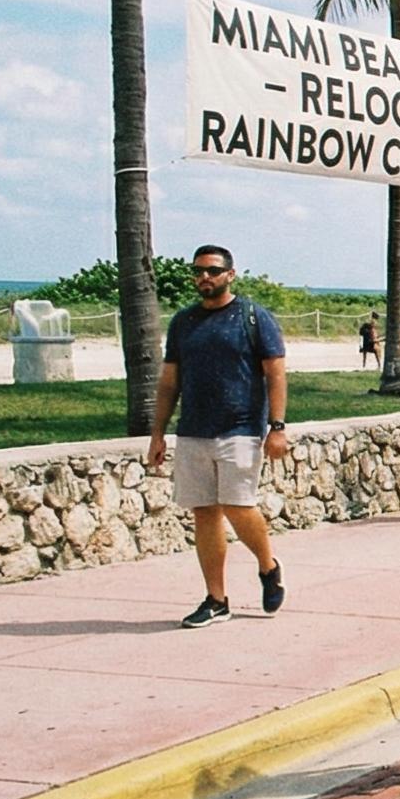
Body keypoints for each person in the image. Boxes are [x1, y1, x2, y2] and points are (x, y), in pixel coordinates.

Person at [146, 245, 289, 629]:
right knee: (204, 513)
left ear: (230, 274)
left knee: (239, 506)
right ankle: (216, 598)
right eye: (197, 271)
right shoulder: (183, 323)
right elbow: (168, 382)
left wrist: (277, 427)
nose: (203, 278)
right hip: (193, 431)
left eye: (211, 270)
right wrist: (157, 433)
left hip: (240, 429)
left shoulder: (254, 317)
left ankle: (267, 565)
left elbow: (275, 374)